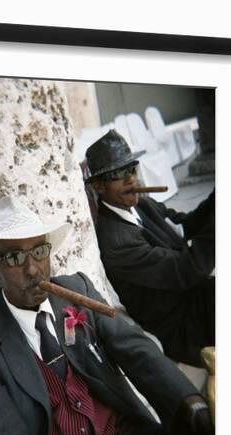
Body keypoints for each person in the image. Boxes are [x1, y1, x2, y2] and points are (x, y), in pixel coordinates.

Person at [0, 196, 213, 435]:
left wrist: (190, 402)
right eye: (15, 257)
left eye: (39, 252)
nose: (33, 269)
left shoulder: (78, 290)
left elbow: (137, 349)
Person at [85, 129, 215, 367]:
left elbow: (184, 226)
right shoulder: (117, 242)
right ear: (98, 186)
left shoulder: (141, 203)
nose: (131, 179)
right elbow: (186, 270)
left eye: (131, 169)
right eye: (118, 174)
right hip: (181, 325)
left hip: (196, 297)